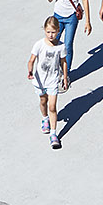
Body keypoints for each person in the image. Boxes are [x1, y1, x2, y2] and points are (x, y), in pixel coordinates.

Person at [27, 15, 69, 149]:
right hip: (40, 80)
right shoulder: (39, 44)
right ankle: (45, 119)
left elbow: (63, 62)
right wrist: (30, 71)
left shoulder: (61, 46)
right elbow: (31, 60)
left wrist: (65, 77)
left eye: (53, 32)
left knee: (52, 106)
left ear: (58, 31)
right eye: (48, 32)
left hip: (53, 80)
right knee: (43, 101)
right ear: (44, 30)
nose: (51, 35)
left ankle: (54, 134)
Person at [46, 0, 91, 73]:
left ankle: (66, 73)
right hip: (58, 16)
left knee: (67, 46)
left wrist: (88, 21)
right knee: (53, 43)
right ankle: (53, 69)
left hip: (71, 17)